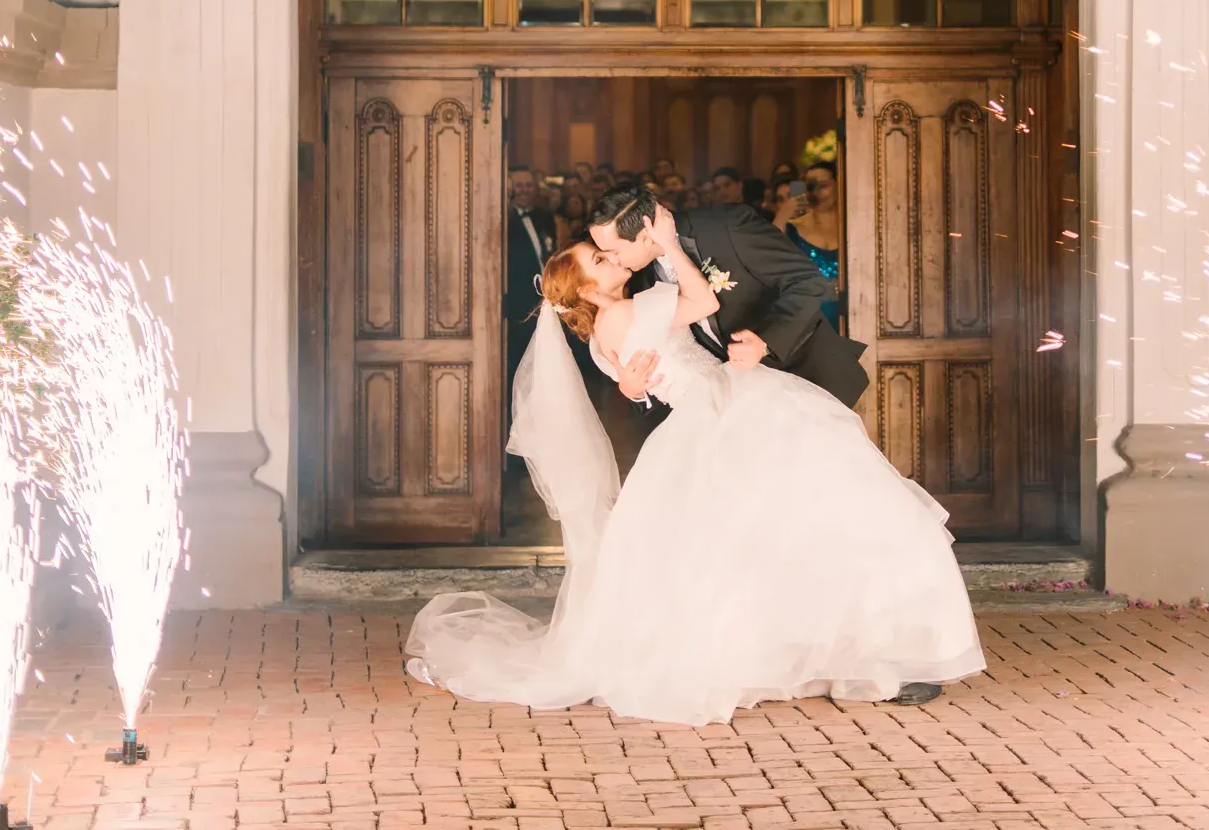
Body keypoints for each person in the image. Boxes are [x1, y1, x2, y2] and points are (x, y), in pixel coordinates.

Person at [404, 207, 981, 724]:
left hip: (697, 421)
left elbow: (633, 383)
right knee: (810, 516)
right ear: (585, 288)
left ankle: (788, 648)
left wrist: (631, 392)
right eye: (599, 260)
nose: (611, 260)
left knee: (740, 542)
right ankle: (845, 644)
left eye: (606, 251)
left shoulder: (602, 336)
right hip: (732, 406)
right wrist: (674, 246)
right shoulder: (634, 309)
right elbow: (703, 304)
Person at [591, 183, 865, 406]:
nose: (612, 261)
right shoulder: (640, 282)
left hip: (807, 380)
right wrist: (633, 392)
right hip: (739, 409)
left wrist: (765, 342)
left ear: (645, 235)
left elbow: (808, 282)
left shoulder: (727, 227)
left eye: (614, 251)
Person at [504, 166, 557, 384]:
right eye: (519, 186)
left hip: (543, 299)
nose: (524, 190)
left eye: (528, 185)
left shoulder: (544, 217)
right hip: (516, 301)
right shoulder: (504, 218)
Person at [773, 160, 841, 327]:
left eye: (822, 186)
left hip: (851, 319)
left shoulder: (854, 228)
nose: (816, 193)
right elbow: (766, 257)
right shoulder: (792, 229)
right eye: (809, 187)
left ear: (839, 185)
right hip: (806, 324)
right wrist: (784, 213)